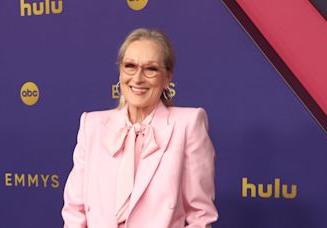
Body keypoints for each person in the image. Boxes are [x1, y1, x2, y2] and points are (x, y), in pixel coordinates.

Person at [62, 28, 218, 228]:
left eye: (150, 69)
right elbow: (75, 209)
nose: (137, 78)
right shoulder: (91, 125)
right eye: (130, 66)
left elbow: (201, 216)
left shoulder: (188, 124)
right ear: (120, 71)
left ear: (167, 77)